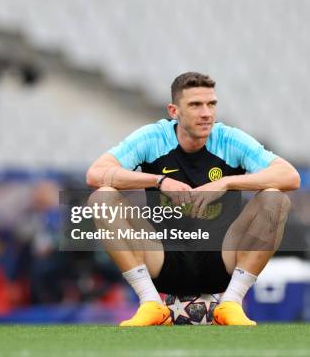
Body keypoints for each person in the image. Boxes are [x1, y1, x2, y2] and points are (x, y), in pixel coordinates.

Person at [86, 72, 300, 326]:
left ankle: (231, 303)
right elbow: (95, 173)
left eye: (211, 104)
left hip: (222, 259)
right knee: (102, 198)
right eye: (196, 105)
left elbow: (290, 176)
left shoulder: (228, 139)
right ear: (174, 111)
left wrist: (227, 182)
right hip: (162, 258)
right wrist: (159, 181)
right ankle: (151, 303)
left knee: (275, 199)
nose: (206, 113)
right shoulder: (154, 137)